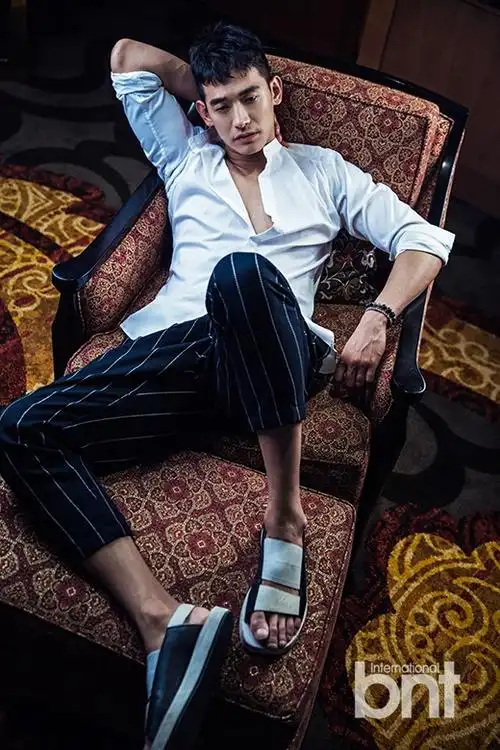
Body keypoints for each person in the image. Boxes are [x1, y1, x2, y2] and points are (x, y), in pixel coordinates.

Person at [0, 21, 454, 750]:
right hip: (176, 362)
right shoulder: (186, 156)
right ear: (203, 111)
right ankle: (163, 621)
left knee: (242, 277)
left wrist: (378, 316)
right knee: (20, 427)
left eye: (251, 98)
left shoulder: (324, 171)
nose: (241, 120)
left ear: (276, 93)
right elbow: (126, 56)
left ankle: (284, 519)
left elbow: (423, 242)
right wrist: (207, 92)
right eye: (222, 106)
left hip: (275, 359)